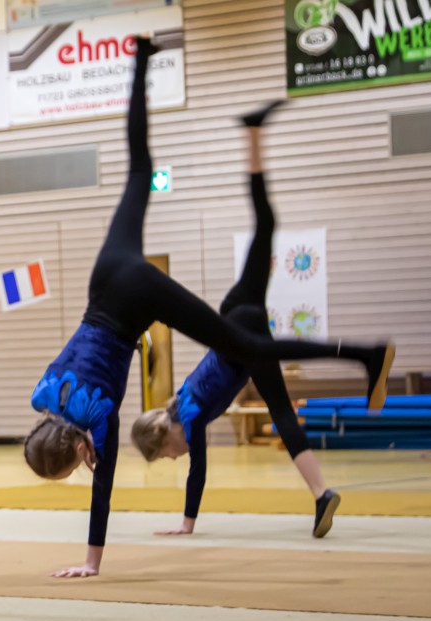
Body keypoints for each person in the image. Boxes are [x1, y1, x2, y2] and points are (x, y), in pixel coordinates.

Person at [22, 37, 393, 580]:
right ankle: (141, 61)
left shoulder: (99, 419)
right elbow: (62, 406)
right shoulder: (42, 394)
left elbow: (103, 491)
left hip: (134, 304)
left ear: (76, 453)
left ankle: (364, 355)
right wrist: (73, 440)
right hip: (105, 279)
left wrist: (90, 561)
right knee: (138, 169)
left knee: (247, 345)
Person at [129, 101, 344, 539]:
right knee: (265, 224)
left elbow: (199, 471)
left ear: (164, 436)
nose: (173, 458)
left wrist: (187, 524)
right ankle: (253, 135)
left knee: (282, 409)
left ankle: (357, 357)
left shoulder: (188, 415)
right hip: (241, 335)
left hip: (240, 336)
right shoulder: (184, 405)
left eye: (166, 454)